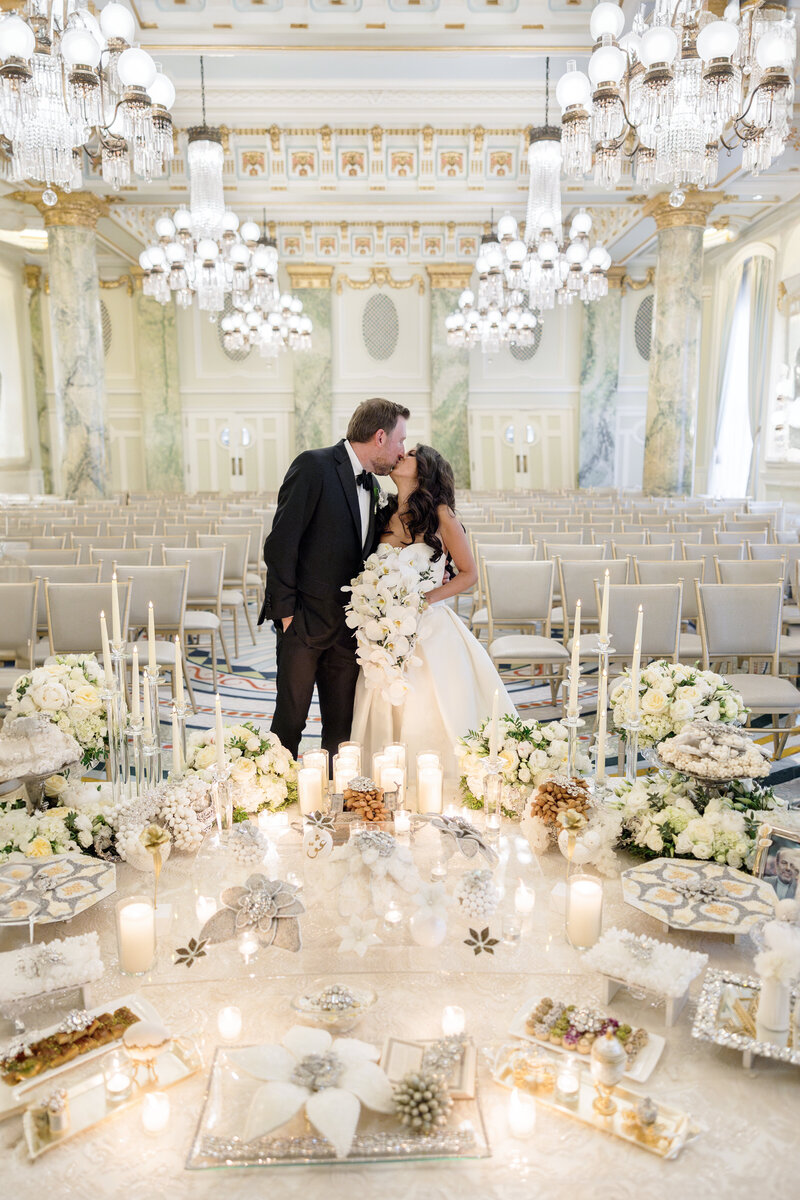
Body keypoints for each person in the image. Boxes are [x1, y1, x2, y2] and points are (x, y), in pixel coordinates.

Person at [350, 443, 516, 781]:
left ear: (425, 469)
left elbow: (469, 573)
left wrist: (426, 599)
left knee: (430, 709)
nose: (401, 455)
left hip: (430, 632)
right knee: (385, 709)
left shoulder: (441, 515)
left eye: (410, 454)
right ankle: (386, 783)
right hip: (384, 634)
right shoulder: (382, 513)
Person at [258, 398, 409, 760]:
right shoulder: (314, 465)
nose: (402, 451)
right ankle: (278, 795)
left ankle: (332, 801)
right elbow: (281, 542)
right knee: (289, 722)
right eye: (400, 440)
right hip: (303, 624)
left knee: (341, 729)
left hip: (348, 630)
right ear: (379, 437)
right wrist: (286, 614)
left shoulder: (373, 486)